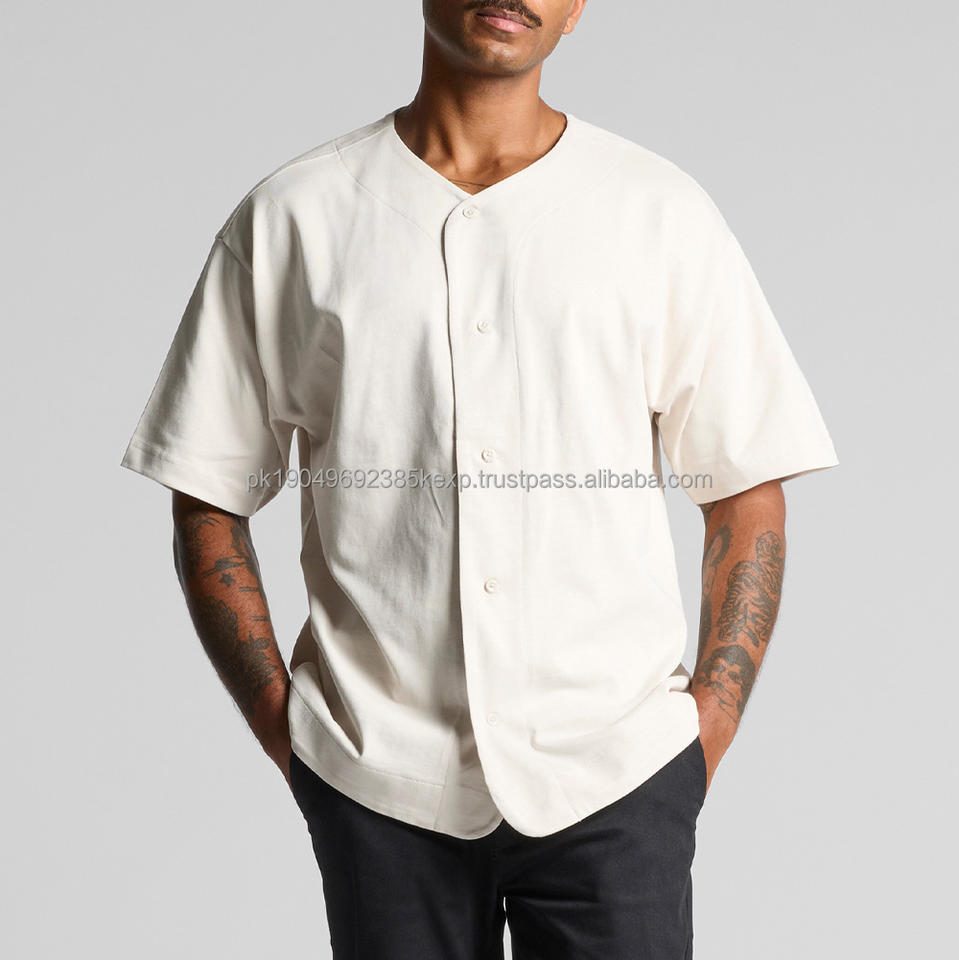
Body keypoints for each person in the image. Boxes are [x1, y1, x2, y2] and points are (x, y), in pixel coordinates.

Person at [120, 1, 838, 956]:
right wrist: (287, 731)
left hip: (617, 774)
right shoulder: (296, 216)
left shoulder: (656, 213)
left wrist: (703, 735)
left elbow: (744, 489)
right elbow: (207, 491)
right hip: (378, 779)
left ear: (577, 9)